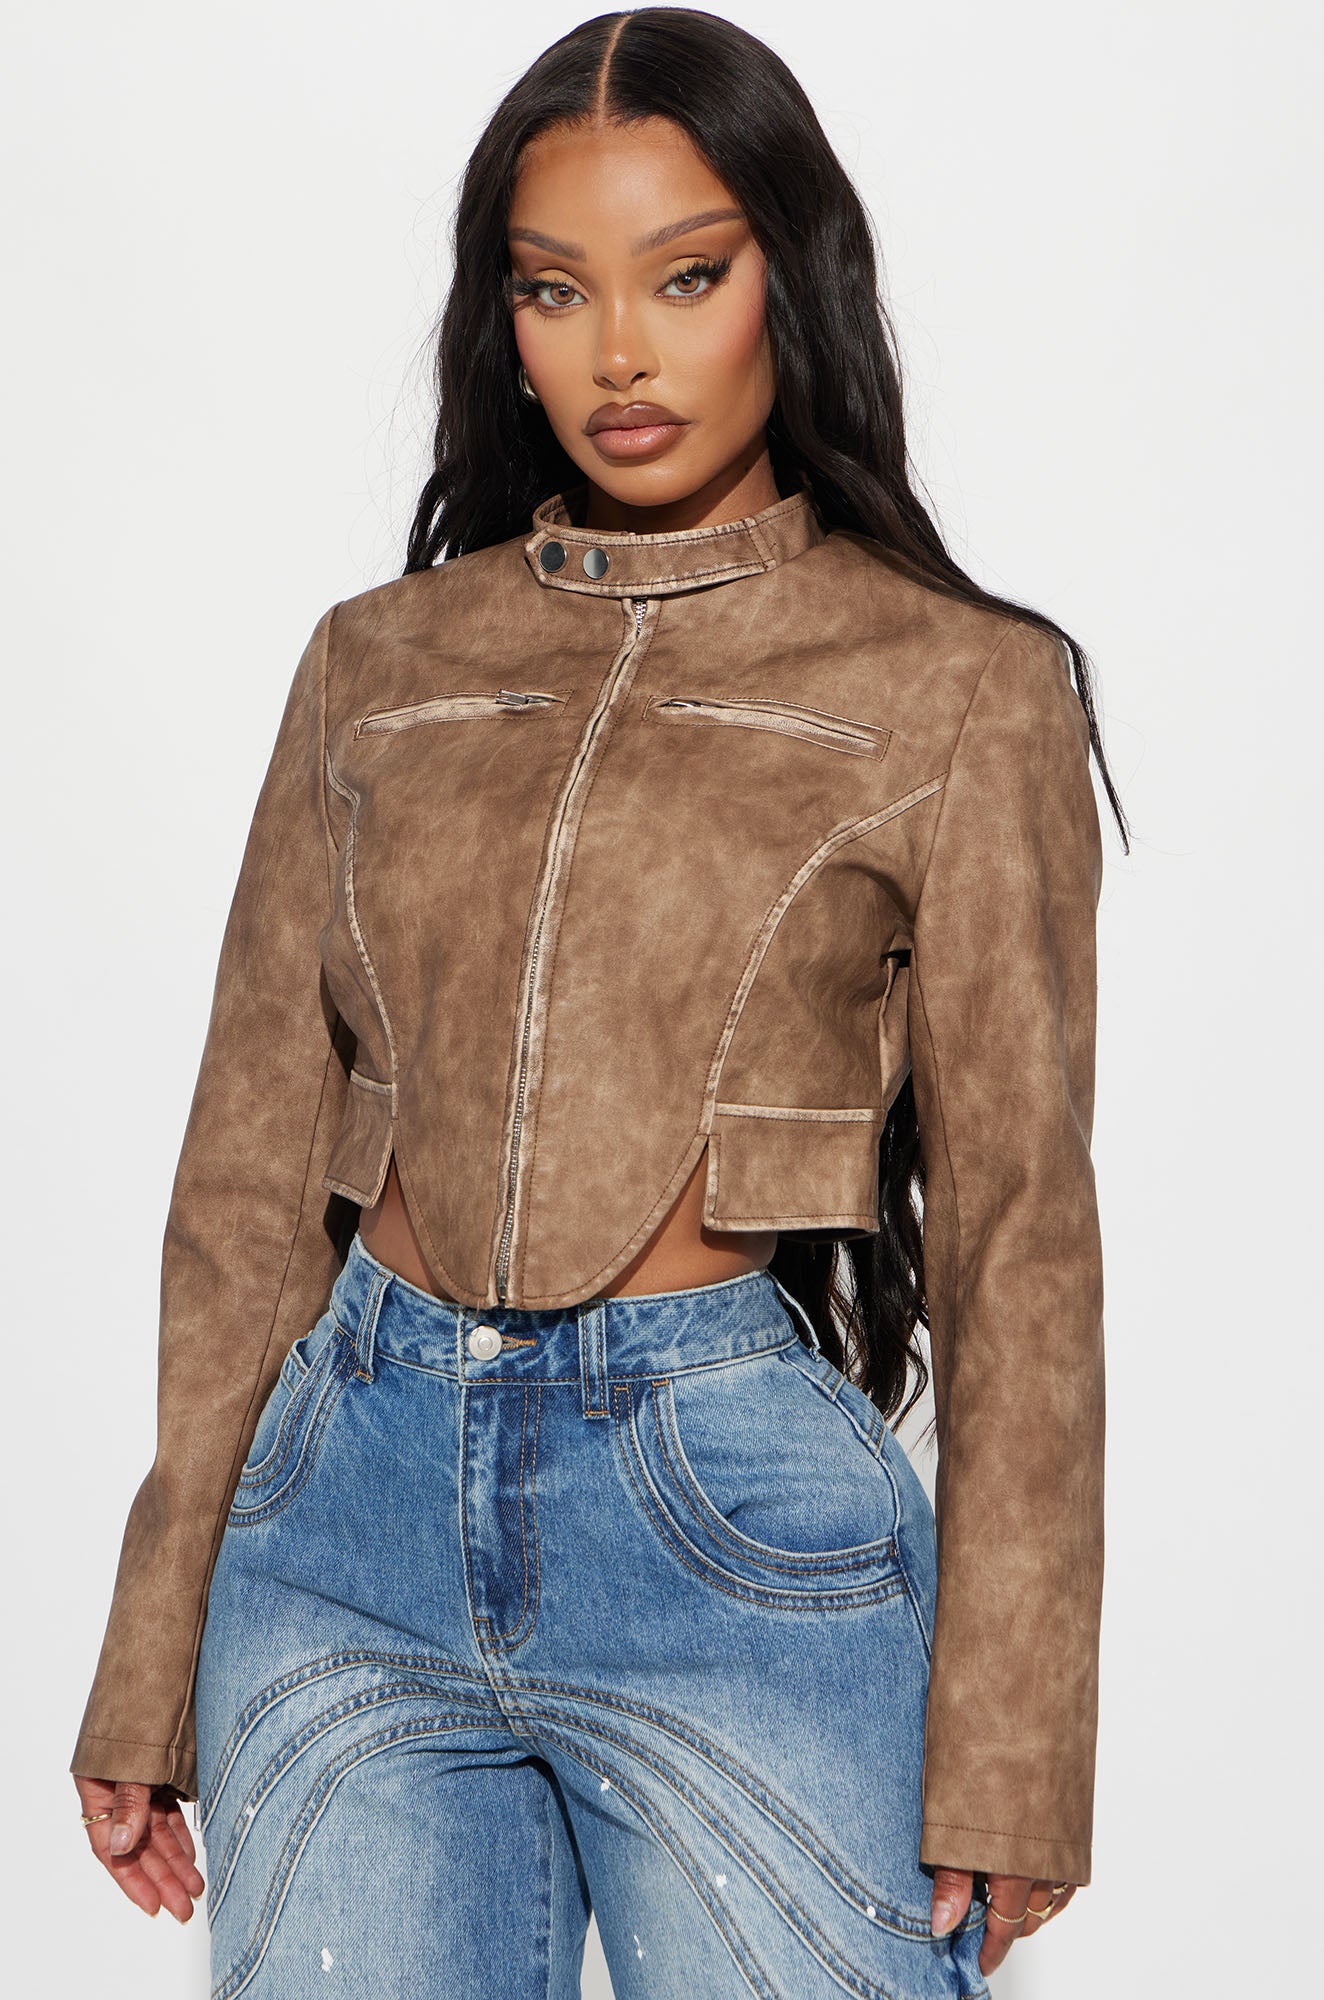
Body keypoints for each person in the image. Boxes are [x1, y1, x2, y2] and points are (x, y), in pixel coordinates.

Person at [71, 9, 1126, 1994]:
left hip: (733, 1538)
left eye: (685, 277)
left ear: (791, 280)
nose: (617, 354)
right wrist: (151, 1650)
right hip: (336, 1528)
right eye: (552, 289)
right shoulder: (376, 663)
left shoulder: (960, 686)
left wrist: (1014, 1741)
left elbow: (1020, 1238)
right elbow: (245, 1186)